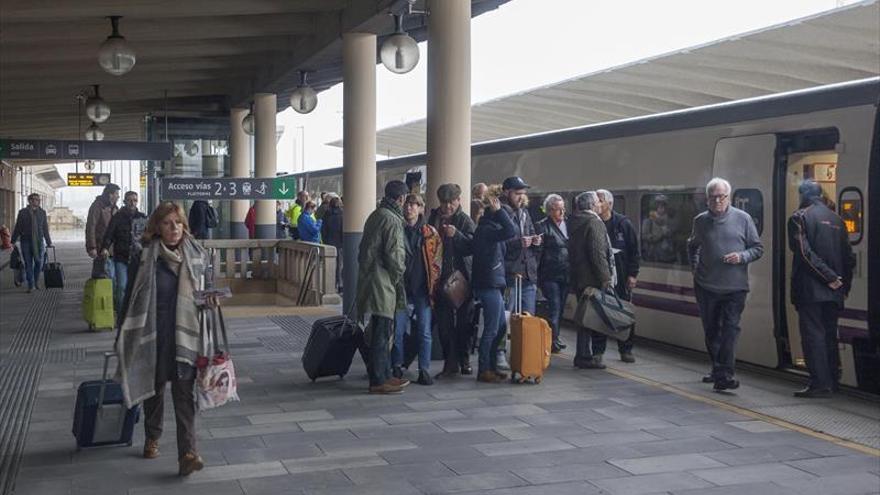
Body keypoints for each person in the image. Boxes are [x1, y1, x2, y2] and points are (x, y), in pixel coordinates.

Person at [115, 202, 212, 476]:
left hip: (185, 338)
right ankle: (152, 437)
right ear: (157, 226)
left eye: (178, 223)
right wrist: (122, 335)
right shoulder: (145, 257)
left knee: (184, 398)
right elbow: (130, 299)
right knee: (154, 392)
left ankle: (188, 454)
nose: (174, 229)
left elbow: (204, 293)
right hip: (153, 337)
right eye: (168, 223)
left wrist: (212, 301)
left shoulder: (197, 255)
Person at [687, 177, 763, 391]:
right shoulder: (700, 221)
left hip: (735, 287)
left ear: (729, 197)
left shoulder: (744, 219)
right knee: (712, 331)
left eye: (722, 196)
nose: (718, 200)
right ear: (707, 199)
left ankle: (724, 375)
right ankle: (717, 368)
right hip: (706, 286)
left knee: (730, 330)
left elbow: (758, 248)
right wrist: (695, 269)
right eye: (714, 197)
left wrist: (741, 256)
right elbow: (692, 246)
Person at [787, 180, 855, 398]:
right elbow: (848, 257)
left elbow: (804, 253)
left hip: (811, 290)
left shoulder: (799, 217)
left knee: (813, 336)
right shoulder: (838, 219)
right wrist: (843, 285)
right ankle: (834, 381)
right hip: (835, 291)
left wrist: (829, 277)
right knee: (829, 335)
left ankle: (819, 383)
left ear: (802, 195)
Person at [356, 180, 410, 394]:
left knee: (379, 329)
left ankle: (385, 374)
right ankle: (379, 380)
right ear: (401, 198)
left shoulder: (376, 215)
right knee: (382, 332)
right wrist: (399, 276)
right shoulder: (392, 220)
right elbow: (395, 256)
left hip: (371, 279)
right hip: (383, 283)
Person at [427, 183, 477, 378]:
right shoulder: (433, 218)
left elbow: (472, 247)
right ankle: (450, 363)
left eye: (451, 202)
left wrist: (456, 235)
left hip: (461, 279)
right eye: (444, 202)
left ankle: (464, 361)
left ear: (458, 200)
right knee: (445, 325)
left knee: (464, 323)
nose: (447, 206)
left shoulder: (465, 221)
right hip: (439, 280)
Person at [392, 193, 439, 386]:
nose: (410, 208)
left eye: (415, 205)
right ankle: (396, 366)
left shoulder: (430, 233)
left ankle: (424, 370)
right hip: (401, 288)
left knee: (424, 331)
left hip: (422, 289)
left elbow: (437, 261)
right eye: (407, 204)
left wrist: (433, 284)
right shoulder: (396, 230)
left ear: (421, 209)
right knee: (398, 330)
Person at [471, 190, 517, 383]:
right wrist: (500, 212)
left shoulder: (487, 230)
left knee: (498, 327)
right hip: (488, 283)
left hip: (492, 282)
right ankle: (484, 369)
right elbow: (510, 231)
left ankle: (490, 366)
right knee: (492, 328)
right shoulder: (487, 230)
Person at [498, 176, 542, 371]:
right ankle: (500, 352)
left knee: (528, 318)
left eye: (523, 193)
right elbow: (497, 244)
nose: (521, 197)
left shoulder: (525, 213)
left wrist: (535, 242)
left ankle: (525, 353)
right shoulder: (499, 213)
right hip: (509, 274)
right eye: (517, 193)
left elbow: (530, 232)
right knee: (506, 316)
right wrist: (518, 243)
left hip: (527, 273)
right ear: (506, 192)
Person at [568, 191, 615, 369]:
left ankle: (582, 354)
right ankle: (584, 356)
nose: (600, 205)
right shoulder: (594, 223)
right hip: (592, 279)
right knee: (589, 320)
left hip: (578, 276)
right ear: (592, 206)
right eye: (598, 202)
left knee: (583, 318)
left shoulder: (573, 221)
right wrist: (606, 278)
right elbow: (597, 253)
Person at [597, 189, 640, 363]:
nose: (597, 203)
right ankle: (598, 351)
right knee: (598, 313)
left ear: (609, 204)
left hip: (621, 277)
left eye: (600, 200)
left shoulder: (623, 224)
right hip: (600, 277)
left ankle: (626, 349)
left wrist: (632, 274)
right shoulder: (593, 223)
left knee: (624, 313)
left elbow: (634, 251)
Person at [101, 191, 147, 311]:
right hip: (121, 258)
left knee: (138, 288)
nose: (132, 203)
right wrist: (105, 248)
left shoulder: (142, 217)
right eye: (130, 200)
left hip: (138, 258)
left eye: (135, 200)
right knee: (122, 286)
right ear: (125, 201)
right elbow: (109, 234)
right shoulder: (117, 217)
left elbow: (149, 236)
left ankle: (135, 313)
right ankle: (122, 314)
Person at [535, 194, 569, 353]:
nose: (561, 212)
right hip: (550, 274)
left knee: (561, 307)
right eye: (557, 209)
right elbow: (538, 252)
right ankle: (553, 340)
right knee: (554, 307)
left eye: (563, 208)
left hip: (566, 273)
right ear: (549, 211)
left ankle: (555, 336)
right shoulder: (542, 226)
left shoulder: (568, 224)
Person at [11, 193, 52, 293]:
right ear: (29, 201)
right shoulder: (23, 213)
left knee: (39, 262)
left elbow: (45, 228)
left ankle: (36, 281)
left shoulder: (42, 213)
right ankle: (31, 285)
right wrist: (12, 241)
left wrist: (48, 242)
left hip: (39, 241)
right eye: (34, 199)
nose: (36, 201)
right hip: (26, 241)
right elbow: (18, 227)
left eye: (38, 200)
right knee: (28, 264)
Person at [86, 183, 120, 279]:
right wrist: (92, 247)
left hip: (113, 248)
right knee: (101, 275)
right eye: (117, 194)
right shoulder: (97, 206)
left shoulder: (115, 208)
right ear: (110, 195)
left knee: (111, 276)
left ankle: (108, 293)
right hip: (100, 247)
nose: (118, 197)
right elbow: (91, 227)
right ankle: (100, 294)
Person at [641, 194, 676, 263]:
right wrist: (660, 235)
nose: (661, 208)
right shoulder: (649, 221)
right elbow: (644, 236)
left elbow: (674, 234)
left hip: (669, 255)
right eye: (659, 205)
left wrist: (670, 234)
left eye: (663, 205)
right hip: (654, 255)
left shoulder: (670, 221)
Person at [320, 196, 344, 292]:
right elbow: (343, 230)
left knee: (330, 264)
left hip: (329, 242)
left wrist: (325, 240)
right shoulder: (342, 215)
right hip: (340, 244)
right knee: (340, 265)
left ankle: (330, 284)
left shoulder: (327, 214)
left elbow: (323, 229)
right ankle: (340, 285)